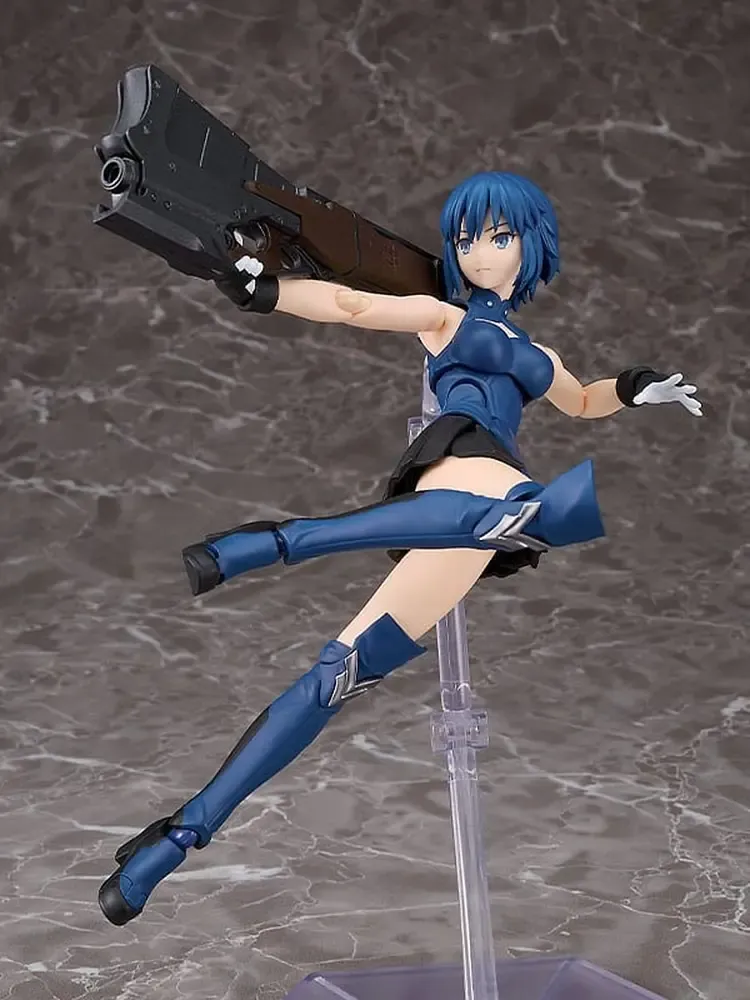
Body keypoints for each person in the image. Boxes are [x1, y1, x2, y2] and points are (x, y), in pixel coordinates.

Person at [98, 171, 702, 926]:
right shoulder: (445, 316)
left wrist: (638, 386)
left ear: (532, 245)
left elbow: (581, 400)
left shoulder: (538, 353)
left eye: (499, 236)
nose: (479, 251)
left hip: (476, 510)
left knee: (338, 675)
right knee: (525, 513)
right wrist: (265, 290)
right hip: (463, 465)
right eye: (467, 237)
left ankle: (177, 837)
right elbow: (352, 305)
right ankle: (281, 540)